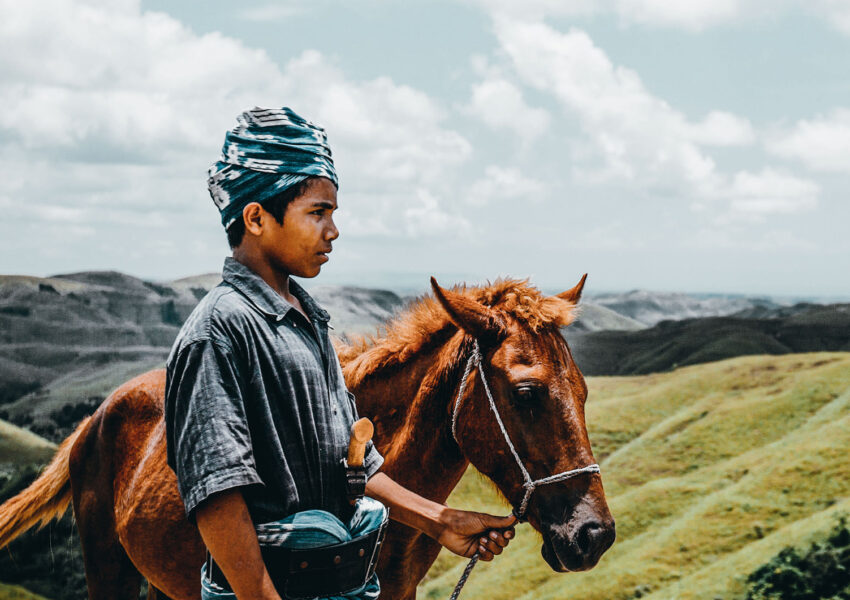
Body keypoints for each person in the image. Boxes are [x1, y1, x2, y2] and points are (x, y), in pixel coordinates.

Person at [165, 107, 516, 600]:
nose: (333, 230)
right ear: (257, 217)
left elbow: (354, 464)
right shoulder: (218, 332)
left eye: (333, 214)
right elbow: (217, 496)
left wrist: (441, 521)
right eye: (317, 212)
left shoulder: (307, 320)